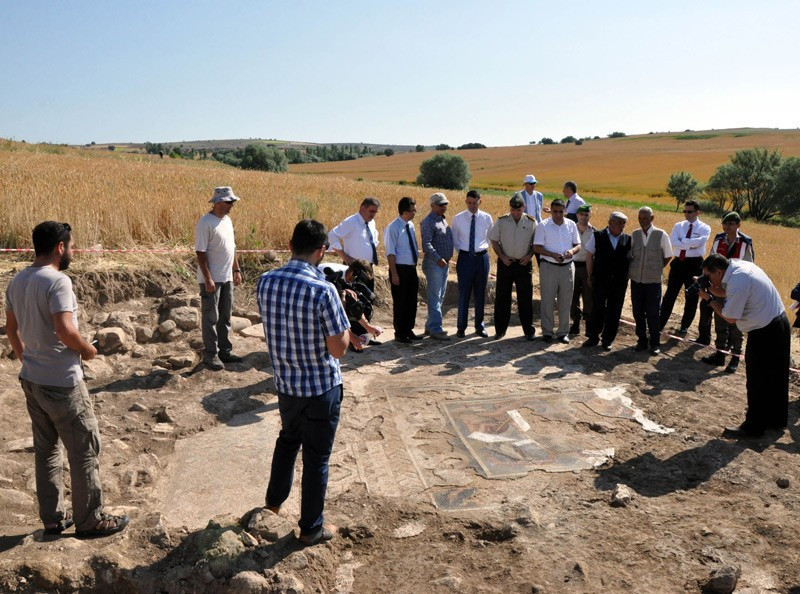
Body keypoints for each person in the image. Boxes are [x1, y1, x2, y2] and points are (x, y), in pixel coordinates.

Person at [4, 221, 129, 538]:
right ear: (60, 247)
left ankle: (53, 518)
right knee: (84, 449)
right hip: (62, 382)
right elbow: (64, 330)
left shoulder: (17, 281)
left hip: (31, 379)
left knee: (47, 451)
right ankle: (89, 520)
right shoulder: (58, 282)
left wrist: (25, 356)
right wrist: (87, 350)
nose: (72, 251)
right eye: (70, 246)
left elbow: (11, 329)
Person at [257, 219, 352, 546]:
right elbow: (338, 350)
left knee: (287, 440)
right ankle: (311, 527)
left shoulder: (265, 282)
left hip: (286, 386)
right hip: (320, 388)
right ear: (321, 250)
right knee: (316, 459)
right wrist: (346, 321)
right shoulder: (324, 290)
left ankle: (272, 504)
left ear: (290, 245)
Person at [699, 253, 790, 438]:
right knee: (776, 376)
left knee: (757, 378)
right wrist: (713, 289)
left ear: (718, 271)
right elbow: (730, 291)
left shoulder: (738, 281)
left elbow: (730, 317)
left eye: (708, 276)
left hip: (765, 331)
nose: (707, 279)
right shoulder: (738, 268)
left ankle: (753, 427)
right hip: (778, 323)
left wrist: (708, 299)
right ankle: (776, 420)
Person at [697, 212, 754, 373]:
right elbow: (710, 259)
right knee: (720, 320)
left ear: (738, 225)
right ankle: (720, 353)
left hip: (736, 287)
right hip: (718, 286)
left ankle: (735, 357)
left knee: (735, 325)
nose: (728, 226)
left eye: (731, 223)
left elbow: (749, 267)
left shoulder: (745, 243)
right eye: (725, 223)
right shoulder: (718, 239)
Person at [195, 186, 243, 370]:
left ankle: (225, 351)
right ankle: (210, 354)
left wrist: (236, 270)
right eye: (230, 202)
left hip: (227, 276)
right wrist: (208, 279)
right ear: (219, 202)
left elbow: (232, 247)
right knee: (210, 317)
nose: (232, 205)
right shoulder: (205, 223)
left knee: (225, 315)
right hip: (212, 279)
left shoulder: (227, 220)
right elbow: (200, 252)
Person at [488, 192, 538, 341]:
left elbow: (536, 243)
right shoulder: (502, 221)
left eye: (518, 210)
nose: (515, 213)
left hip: (523, 264)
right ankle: (500, 330)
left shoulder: (531, 222)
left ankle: (528, 330)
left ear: (524, 207)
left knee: (525, 299)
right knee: (502, 298)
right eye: (513, 210)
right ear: (510, 208)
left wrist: (529, 256)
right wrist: (502, 257)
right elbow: (494, 240)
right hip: (506, 264)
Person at [659, 199, 711, 334]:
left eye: (690, 211)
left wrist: (683, 241)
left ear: (697, 212)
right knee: (670, 294)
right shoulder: (678, 226)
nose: (687, 214)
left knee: (691, 297)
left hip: (695, 264)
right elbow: (673, 242)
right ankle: (660, 323)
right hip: (678, 263)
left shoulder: (704, 228)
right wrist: (689, 243)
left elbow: (700, 242)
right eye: (685, 211)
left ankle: (684, 326)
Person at [533, 199, 581, 343]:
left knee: (566, 301)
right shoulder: (543, 226)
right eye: (555, 211)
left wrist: (571, 252)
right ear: (551, 211)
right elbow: (536, 247)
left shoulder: (571, 225)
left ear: (565, 211)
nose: (558, 214)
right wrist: (552, 255)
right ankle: (547, 332)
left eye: (561, 211)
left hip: (567, 267)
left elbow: (578, 244)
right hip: (549, 267)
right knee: (547, 299)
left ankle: (562, 332)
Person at [582, 212, 631, 351]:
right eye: (619, 223)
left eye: (623, 223)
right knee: (597, 308)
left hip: (619, 283)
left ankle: (608, 339)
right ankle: (593, 337)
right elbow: (589, 255)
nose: (622, 226)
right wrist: (590, 275)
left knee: (614, 310)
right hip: (600, 280)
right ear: (610, 222)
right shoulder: (597, 236)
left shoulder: (628, 239)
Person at [629, 207, 673, 355]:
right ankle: (641, 340)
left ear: (652, 218)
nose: (642, 221)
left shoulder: (661, 235)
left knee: (653, 313)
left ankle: (655, 343)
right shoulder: (634, 234)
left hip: (653, 282)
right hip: (636, 281)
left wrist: (655, 269)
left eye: (646, 218)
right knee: (638, 312)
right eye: (640, 218)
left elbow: (667, 256)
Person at [451, 190, 493, 338]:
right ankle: (461, 327)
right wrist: (465, 253)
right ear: (466, 202)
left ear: (480, 202)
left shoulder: (487, 218)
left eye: (474, 203)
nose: (472, 206)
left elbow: (489, 239)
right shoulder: (458, 218)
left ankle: (479, 326)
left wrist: (478, 251)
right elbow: (455, 240)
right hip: (465, 258)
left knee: (480, 293)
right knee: (464, 293)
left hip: (482, 258)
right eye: (469, 203)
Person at [384, 197, 421, 343]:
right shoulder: (393, 228)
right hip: (399, 269)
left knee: (411, 300)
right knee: (400, 302)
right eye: (413, 210)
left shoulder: (410, 225)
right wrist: (394, 273)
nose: (415, 212)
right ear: (405, 212)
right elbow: (390, 252)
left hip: (411, 268)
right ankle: (400, 332)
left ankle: (408, 329)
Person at [420, 192, 454, 340]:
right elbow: (426, 244)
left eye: (445, 204)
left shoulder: (441, 219)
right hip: (435, 263)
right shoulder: (428, 222)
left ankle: (430, 325)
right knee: (435, 295)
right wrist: (438, 258)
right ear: (432, 206)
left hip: (443, 263)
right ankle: (436, 328)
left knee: (439, 295)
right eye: (440, 205)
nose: (444, 207)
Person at [328, 197, 381, 291]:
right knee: (353, 299)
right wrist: (344, 256)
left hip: (368, 268)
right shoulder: (351, 222)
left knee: (368, 299)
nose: (373, 215)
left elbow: (373, 239)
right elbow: (332, 235)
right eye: (371, 211)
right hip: (353, 268)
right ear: (362, 208)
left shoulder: (371, 222)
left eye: (375, 212)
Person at [569, 204, 595, 336]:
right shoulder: (570, 230)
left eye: (586, 214)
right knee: (572, 297)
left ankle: (589, 325)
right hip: (573, 266)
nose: (584, 217)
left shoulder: (595, 232)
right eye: (581, 214)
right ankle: (575, 323)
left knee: (588, 297)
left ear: (590, 215)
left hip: (587, 268)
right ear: (577, 215)